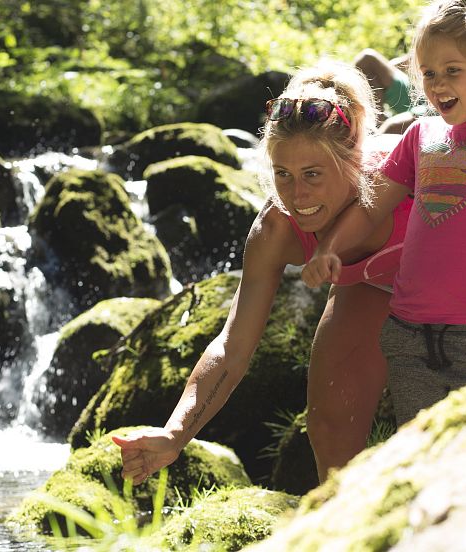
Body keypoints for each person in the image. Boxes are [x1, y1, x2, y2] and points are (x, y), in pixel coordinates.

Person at [112, 60, 414, 484]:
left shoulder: (402, 175)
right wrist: (175, 433)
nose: (297, 194)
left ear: (352, 160)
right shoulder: (276, 229)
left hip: (442, 270)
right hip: (371, 286)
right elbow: (232, 347)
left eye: (312, 174)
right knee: (327, 423)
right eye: (283, 175)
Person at [302, 0, 466, 427]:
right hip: (409, 336)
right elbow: (371, 207)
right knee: (422, 454)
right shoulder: (420, 135)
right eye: (429, 73)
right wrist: (330, 247)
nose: (437, 85)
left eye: (453, 71)